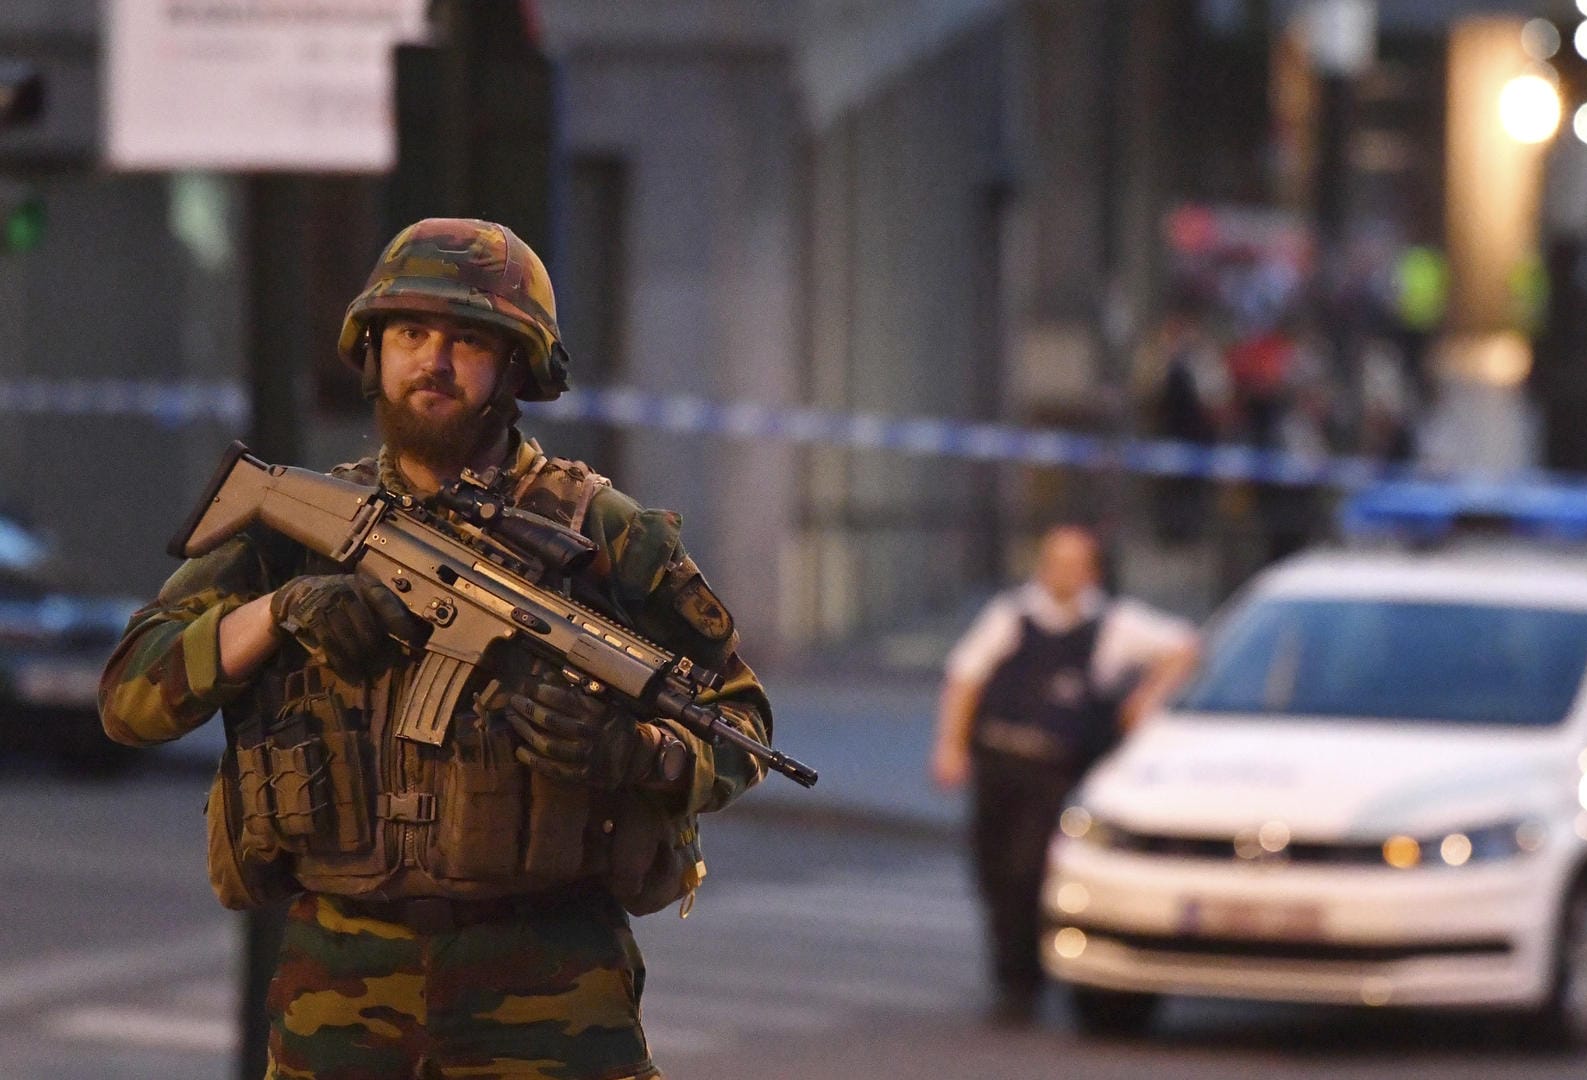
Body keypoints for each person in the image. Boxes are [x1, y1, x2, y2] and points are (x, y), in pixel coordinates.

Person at [99, 218, 772, 1080]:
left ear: (516, 368)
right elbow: (129, 700)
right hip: (336, 976)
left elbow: (739, 719)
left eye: (467, 341)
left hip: (548, 982)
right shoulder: (293, 524)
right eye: (411, 334)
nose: (434, 362)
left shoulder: (604, 536)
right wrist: (280, 611)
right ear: (373, 350)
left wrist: (639, 753)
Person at [928, 526, 1198, 1024]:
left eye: (1074, 564)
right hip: (998, 759)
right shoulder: (1013, 614)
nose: (1062, 574)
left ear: (1091, 571)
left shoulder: (1111, 623)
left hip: (1053, 769)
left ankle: (1023, 987)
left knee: (1028, 872)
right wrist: (951, 747)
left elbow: (1184, 645)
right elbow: (965, 676)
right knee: (992, 873)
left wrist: (1146, 698)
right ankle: (1010, 971)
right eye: (1054, 562)